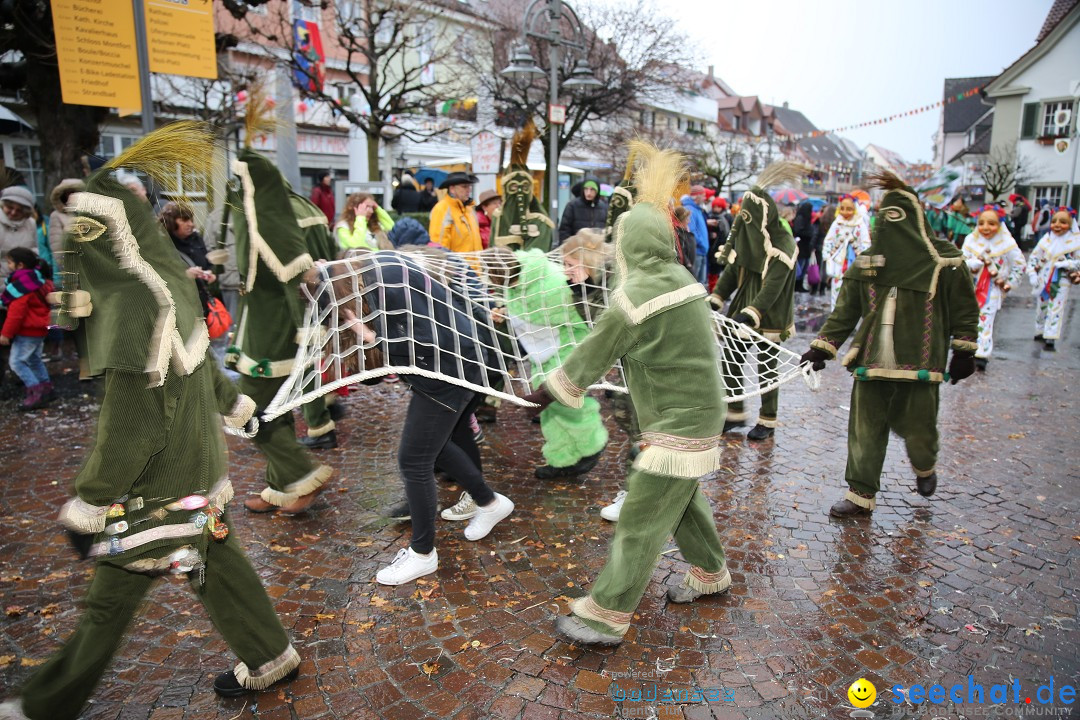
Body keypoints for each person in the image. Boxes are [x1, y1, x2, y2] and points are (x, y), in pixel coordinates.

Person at [0, 126, 301, 720]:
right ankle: (270, 656)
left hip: (157, 483)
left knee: (109, 601)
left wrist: (88, 504)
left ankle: (42, 706)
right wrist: (239, 409)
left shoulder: (133, 308)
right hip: (200, 461)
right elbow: (205, 371)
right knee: (215, 560)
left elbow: (132, 427)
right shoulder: (170, 283)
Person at [527, 142, 730, 646]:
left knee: (641, 518)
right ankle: (711, 572)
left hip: (678, 423)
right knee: (681, 499)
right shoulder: (681, 277)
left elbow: (593, 352)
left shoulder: (634, 295)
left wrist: (549, 390)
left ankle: (605, 615)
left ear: (627, 243)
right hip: (699, 413)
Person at [800, 171, 980, 518]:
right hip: (869, 361)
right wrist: (822, 348)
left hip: (921, 365)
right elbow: (845, 312)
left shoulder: (945, 261)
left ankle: (925, 468)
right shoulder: (866, 263)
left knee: (919, 430)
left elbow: (964, 308)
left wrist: (964, 350)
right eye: (884, 219)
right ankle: (860, 495)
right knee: (865, 429)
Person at [341, 252, 514, 585]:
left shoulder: (389, 284)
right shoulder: (384, 285)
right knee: (438, 444)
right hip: (452, 374)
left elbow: (423, 344)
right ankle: (488, 502)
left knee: (414, 460)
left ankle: (423, 554)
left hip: (452, 376)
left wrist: (371, 338)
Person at [226, 144, 333, 515]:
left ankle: (304, 475)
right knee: (276, 409)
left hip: (275, 337)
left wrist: (308, 332)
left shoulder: (273, 219)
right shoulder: (289, 211)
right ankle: (280, 487)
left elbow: (296, 275)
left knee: (248, 410)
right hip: (260, 331)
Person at [487, 246, 608, 480]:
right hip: (543, 348)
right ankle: (563, 458)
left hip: (570, 343)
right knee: (550, 406)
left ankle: (591, 444)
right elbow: (519, 309)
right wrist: (504, 314)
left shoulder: (549, 283)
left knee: (564, 397)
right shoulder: (515, 281)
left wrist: (514, 316)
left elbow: (563, 316)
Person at [710, 163, 802, 441]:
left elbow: (773, 286)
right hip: (745, 302)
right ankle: (734, 412)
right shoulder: (748, 237)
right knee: (731, 357)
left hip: (770, 310)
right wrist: (717, 298)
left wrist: (752, 313)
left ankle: (768, 420)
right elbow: (732, 270)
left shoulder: (782, 244)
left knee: (766, 366)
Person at [960, 205, 1024, 370]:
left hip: (992, 289)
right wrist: (970, 264)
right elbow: (960, 261)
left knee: (986, 319)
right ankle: (969, 349)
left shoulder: (1007, 243)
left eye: (991, 223)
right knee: (971, 319)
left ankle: (982, 354)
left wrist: (1009, 283)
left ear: (1000, 224)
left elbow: (1019, 264)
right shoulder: (971, 241)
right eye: (981, 223)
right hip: (971, 288)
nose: (985, 228)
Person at [1, 247, 53, 410]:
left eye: (10, 262)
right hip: (39, 329)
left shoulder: (22, 286)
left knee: (16, 362)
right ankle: (46, 389)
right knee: (33, 359)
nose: (8, 265)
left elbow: (16, 314)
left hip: (27, 331)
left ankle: (35, 393)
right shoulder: (38, 279)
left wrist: (5, 334)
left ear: (20, 265)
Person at [1026, 207, 1080, 351]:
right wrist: (1032, 274)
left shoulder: (1075, 242)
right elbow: (1034, 257)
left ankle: (1050, 336)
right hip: (1043, 278)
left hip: (1061, 279)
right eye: (1054, 221)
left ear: (1070, 224)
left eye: (1062, 222)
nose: (1057, 225)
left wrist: (1067, 263)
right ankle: (1039, 330)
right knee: (1042, 305)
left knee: (1056, 306)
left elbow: (1078, 261)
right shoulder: (1046, 239)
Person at [160, 202, 216, 316]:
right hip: (176, 307)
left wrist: (211, 273)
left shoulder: (197, 239)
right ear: (171, 221)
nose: (191, 224)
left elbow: (207, 262)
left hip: (200, 304)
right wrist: (185, 274)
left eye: (191, 220)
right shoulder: (161, 243)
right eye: (184, 220)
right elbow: (158, 273)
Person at [821, 195, 870, 309]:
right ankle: (835, 313)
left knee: (852, 292)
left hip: (854, 263)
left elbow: (866, 244)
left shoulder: (859, 224)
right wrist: (828, 256)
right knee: (836, 289)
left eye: (849, 209)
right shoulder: (837, 223)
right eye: (842, 208)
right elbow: (828, 240)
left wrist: (857, 248)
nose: (845, 212)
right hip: (839, 262)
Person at [429, 172, 482, 253]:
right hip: (457, 265)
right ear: (452, 189)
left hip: (475, 265)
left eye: (469, 186)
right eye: (464, 187)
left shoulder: (470, 209)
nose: (469, 190)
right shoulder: (442, 209)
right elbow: (439, 247)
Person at [558, 179, 608, 244]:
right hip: (576, 248)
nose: (588, 193)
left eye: (592, 189)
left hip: (597, 249)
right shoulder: (572, 205)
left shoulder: (603, 207)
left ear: (597, 191)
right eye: (586, 189)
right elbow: (564, 229)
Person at [680, 188, 709, 284]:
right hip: (697, 250)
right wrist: (702, 243)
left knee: (702, 283)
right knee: (698, 283)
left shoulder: (696, 209)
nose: (705, 198)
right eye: (703, 195)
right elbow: (691, 231)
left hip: (701, 251)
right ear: (698, 196)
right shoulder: (691, 209)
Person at [706, 197, 730, 291]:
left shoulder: (724, 218)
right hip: (712, 249)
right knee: (713, 273)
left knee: (718, 273)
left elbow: (725, 234)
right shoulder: (710, 216)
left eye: (718, 207)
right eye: (715, 206)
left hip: (720, 248)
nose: (716, 208)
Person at [791, 200, 816, 292]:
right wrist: (808, 233)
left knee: (804, 265)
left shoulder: (807, 219)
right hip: (801, 246)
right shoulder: (801, 218)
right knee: (800, 266)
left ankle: (800, 284)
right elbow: (797, 230)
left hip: (806, 247)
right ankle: (796, 285)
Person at [672, 206, 696, 272]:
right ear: (682, 220)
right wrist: (688, 263)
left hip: (688, 265)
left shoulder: (683, 231)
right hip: (686, 267)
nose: (689, 221)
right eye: (687, 219)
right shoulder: (678, 232)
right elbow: (681, 249)